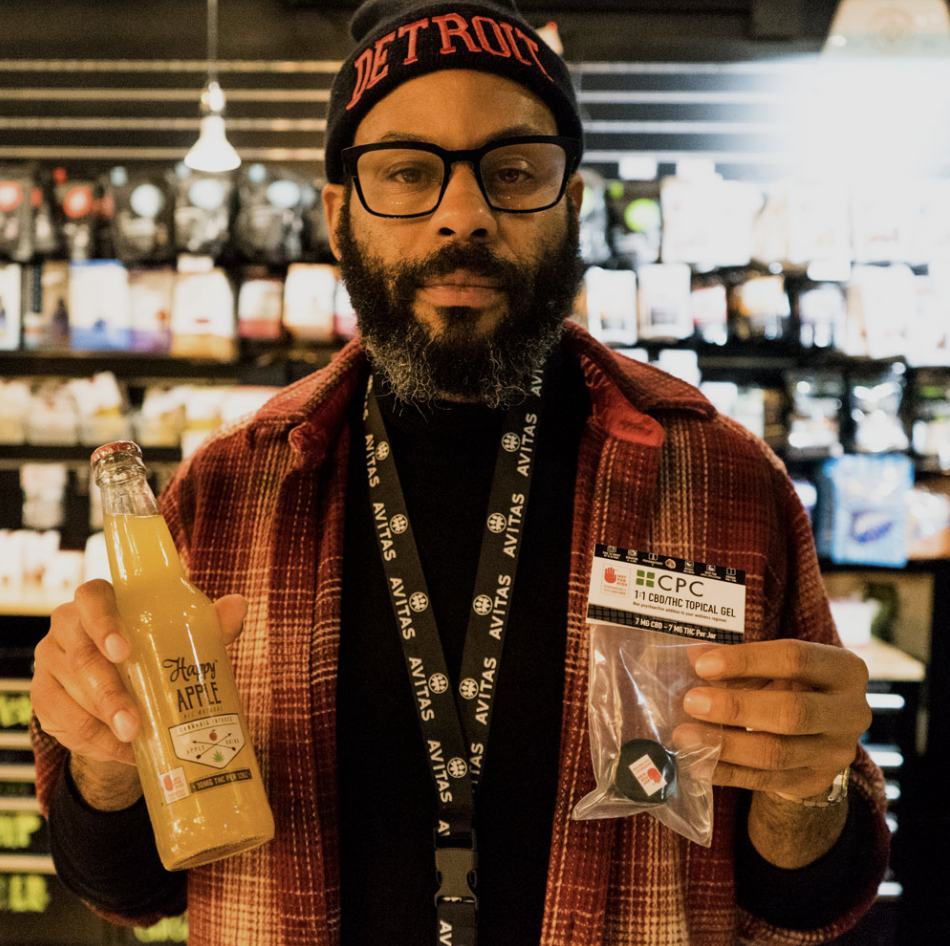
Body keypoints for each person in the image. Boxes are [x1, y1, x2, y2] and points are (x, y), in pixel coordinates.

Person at [30, 2, 890, 944]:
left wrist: (808, 791)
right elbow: (127, 888)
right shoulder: (227, 490)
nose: (464, 213)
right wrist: (105, 759)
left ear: (571, 203)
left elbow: (814, 900)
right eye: (407, 172)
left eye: (513, 171)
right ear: (338, 216)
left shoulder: (725, 480)